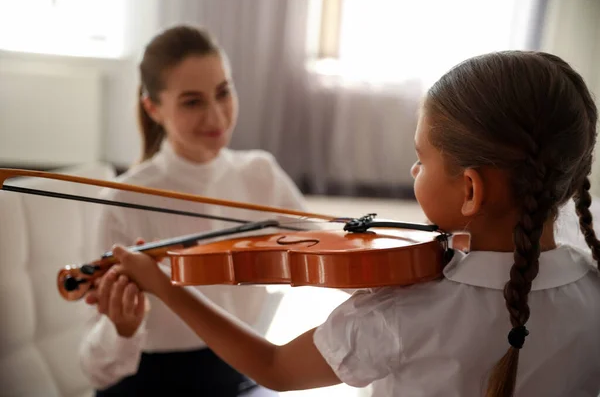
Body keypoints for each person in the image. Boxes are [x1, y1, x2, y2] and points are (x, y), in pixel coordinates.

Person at [106, 50, 600, 396]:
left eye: (420, 158)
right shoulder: (592, 287)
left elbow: (274, 369)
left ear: (470, 190)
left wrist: (164, 284)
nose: (413, 170)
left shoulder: (397, 318)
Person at [78, 25, 310, 396]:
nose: (217, 116)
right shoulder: (122, 200)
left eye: (223, 92)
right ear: (153, 108)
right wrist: (122, 329)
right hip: (153, 383)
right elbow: (95, 371)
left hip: (247, 368)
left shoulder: (260, 172)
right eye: (192, 102)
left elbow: (324, 246)